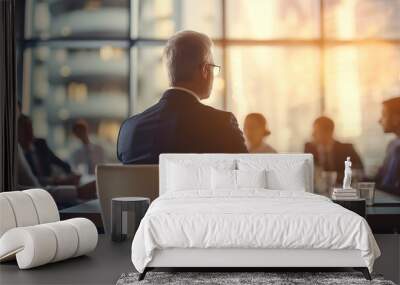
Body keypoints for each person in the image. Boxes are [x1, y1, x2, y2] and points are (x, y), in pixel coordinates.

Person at [117, 30, 247, 164]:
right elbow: (247, 179)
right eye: (213, 68)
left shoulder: (129, 130)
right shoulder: (222, 125)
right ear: (204, 70)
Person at [18, 114, 79, 186]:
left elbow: (58, 161)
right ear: (17, 132)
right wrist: (54, 181)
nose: (30, 132)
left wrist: (71, 173)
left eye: (30, 127)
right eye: (25, 129)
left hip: (52, 186)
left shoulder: (40, 144)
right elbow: (29, 180)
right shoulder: (18, 155)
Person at [304, 116, 363, 182]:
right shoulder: (309, 148)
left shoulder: (346, 149)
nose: (313, 134)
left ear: (329, 132)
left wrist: (333, 177)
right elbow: (306, 173)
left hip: (341, 188)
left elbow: (359, 170)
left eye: (316, 131)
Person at [376, 97, 400, 194]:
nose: (379, 120)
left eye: (384, 115)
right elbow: (380, 179)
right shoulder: (392, 145)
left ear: (396, 118)